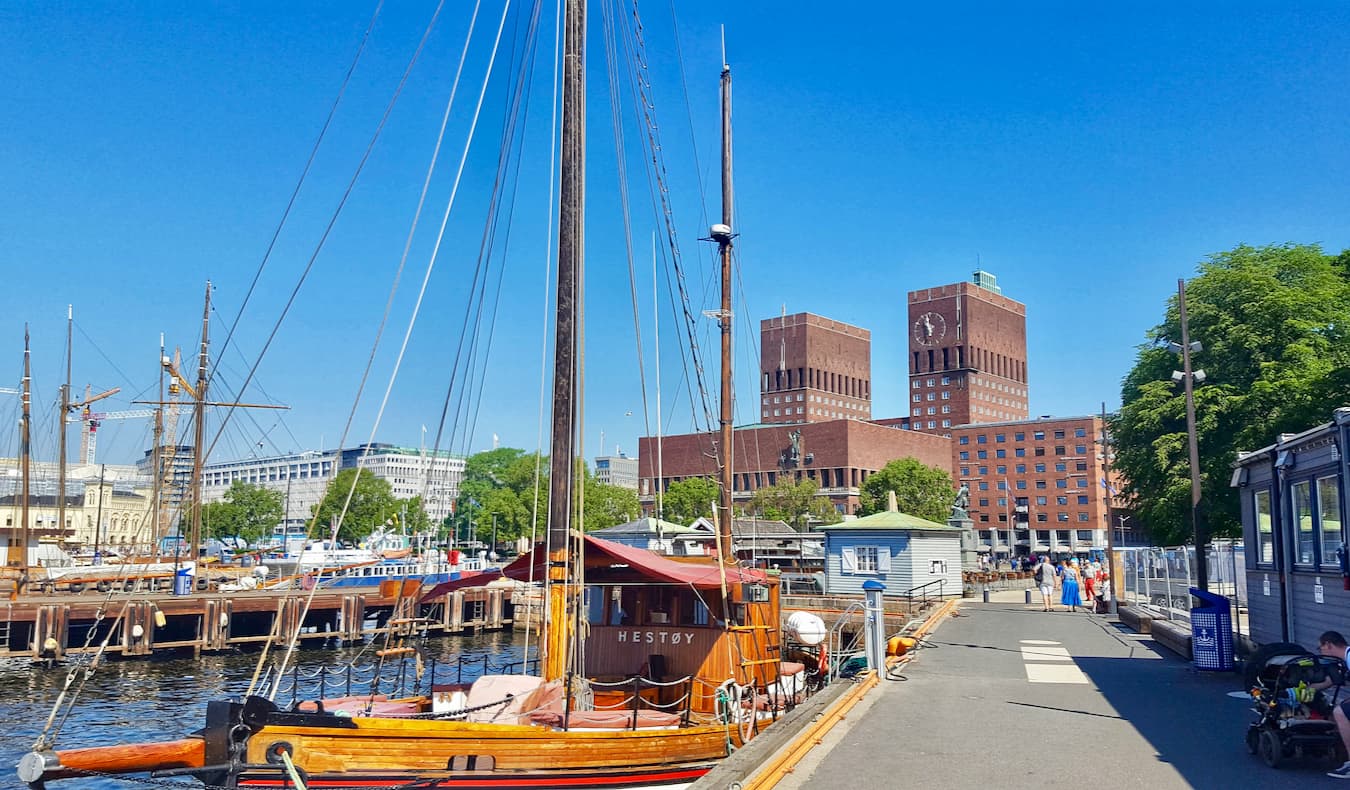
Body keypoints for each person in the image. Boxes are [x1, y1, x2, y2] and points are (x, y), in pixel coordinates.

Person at [1319, 631, 1350, 779]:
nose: (1321, 651)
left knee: (1340, 712)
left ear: (1328, 644)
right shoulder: (1345, 659)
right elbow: (1330, 681)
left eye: (1321, 647)